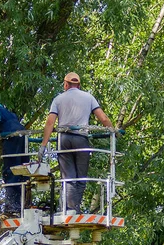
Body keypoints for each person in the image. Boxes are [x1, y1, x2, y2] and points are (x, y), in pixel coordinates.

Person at [38, 72, 113, 214]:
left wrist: (43, 146)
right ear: (78, 85)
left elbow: (49, 123)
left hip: (64, 140)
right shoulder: (88, 97)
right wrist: (113, 132)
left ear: (66, 84)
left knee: (68, 177)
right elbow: (103, 118)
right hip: (81, 140)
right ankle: (73, 209)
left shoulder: (58, 99)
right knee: (81, 177)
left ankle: (70, 209)